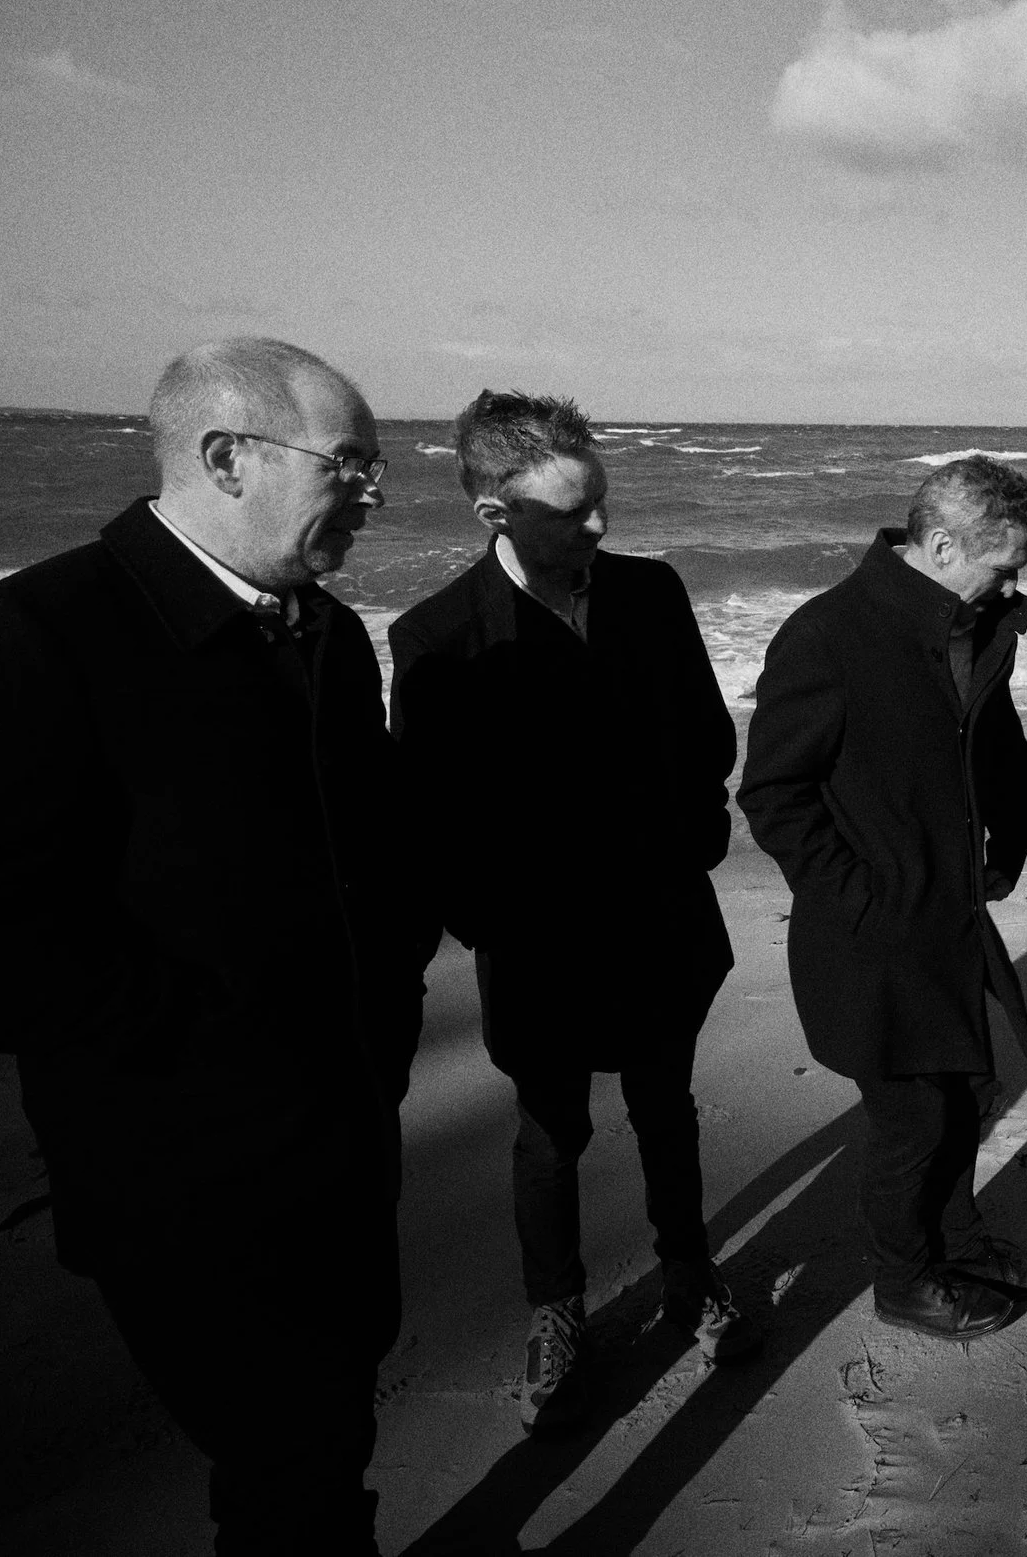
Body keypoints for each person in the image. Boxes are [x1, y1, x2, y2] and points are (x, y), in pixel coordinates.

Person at [0, 339, 431, 1553]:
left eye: (377, 465)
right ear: (226, 457)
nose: (377, 491)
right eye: (349, 461)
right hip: (187, 1170)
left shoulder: (328, 634)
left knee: (328, 1432)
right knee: (287, 1459)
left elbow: (369, 853)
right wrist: (216, 1044)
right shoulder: (39, 633)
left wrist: (383, 1011)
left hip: (346, 1130)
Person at [388, 390, 754, 1433]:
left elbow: (705, 737)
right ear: (492, 512)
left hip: (660, 923)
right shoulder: (437, 638)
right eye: (570, 512)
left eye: (600, 502)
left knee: (666, 1108)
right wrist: (496, 920)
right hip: (540, 945)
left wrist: (690, 839)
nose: (598, 527)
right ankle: (557, 1311)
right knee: (550, 1135)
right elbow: (432, 813)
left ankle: (691, 1274)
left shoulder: (653, 593)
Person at [738, 456, 1027, 1340]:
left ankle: (957, 1242)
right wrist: (859, 894)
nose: (1014, 581)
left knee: (966, 1089)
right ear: (943, 543)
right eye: (1004, 565)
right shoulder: (829, 635)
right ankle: (905, 1282)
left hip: (950, 913)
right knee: (912, 1116)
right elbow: (772, 792)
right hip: (870, 932)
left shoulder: (973, 621)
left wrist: (1011, 839)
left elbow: (998, 743)